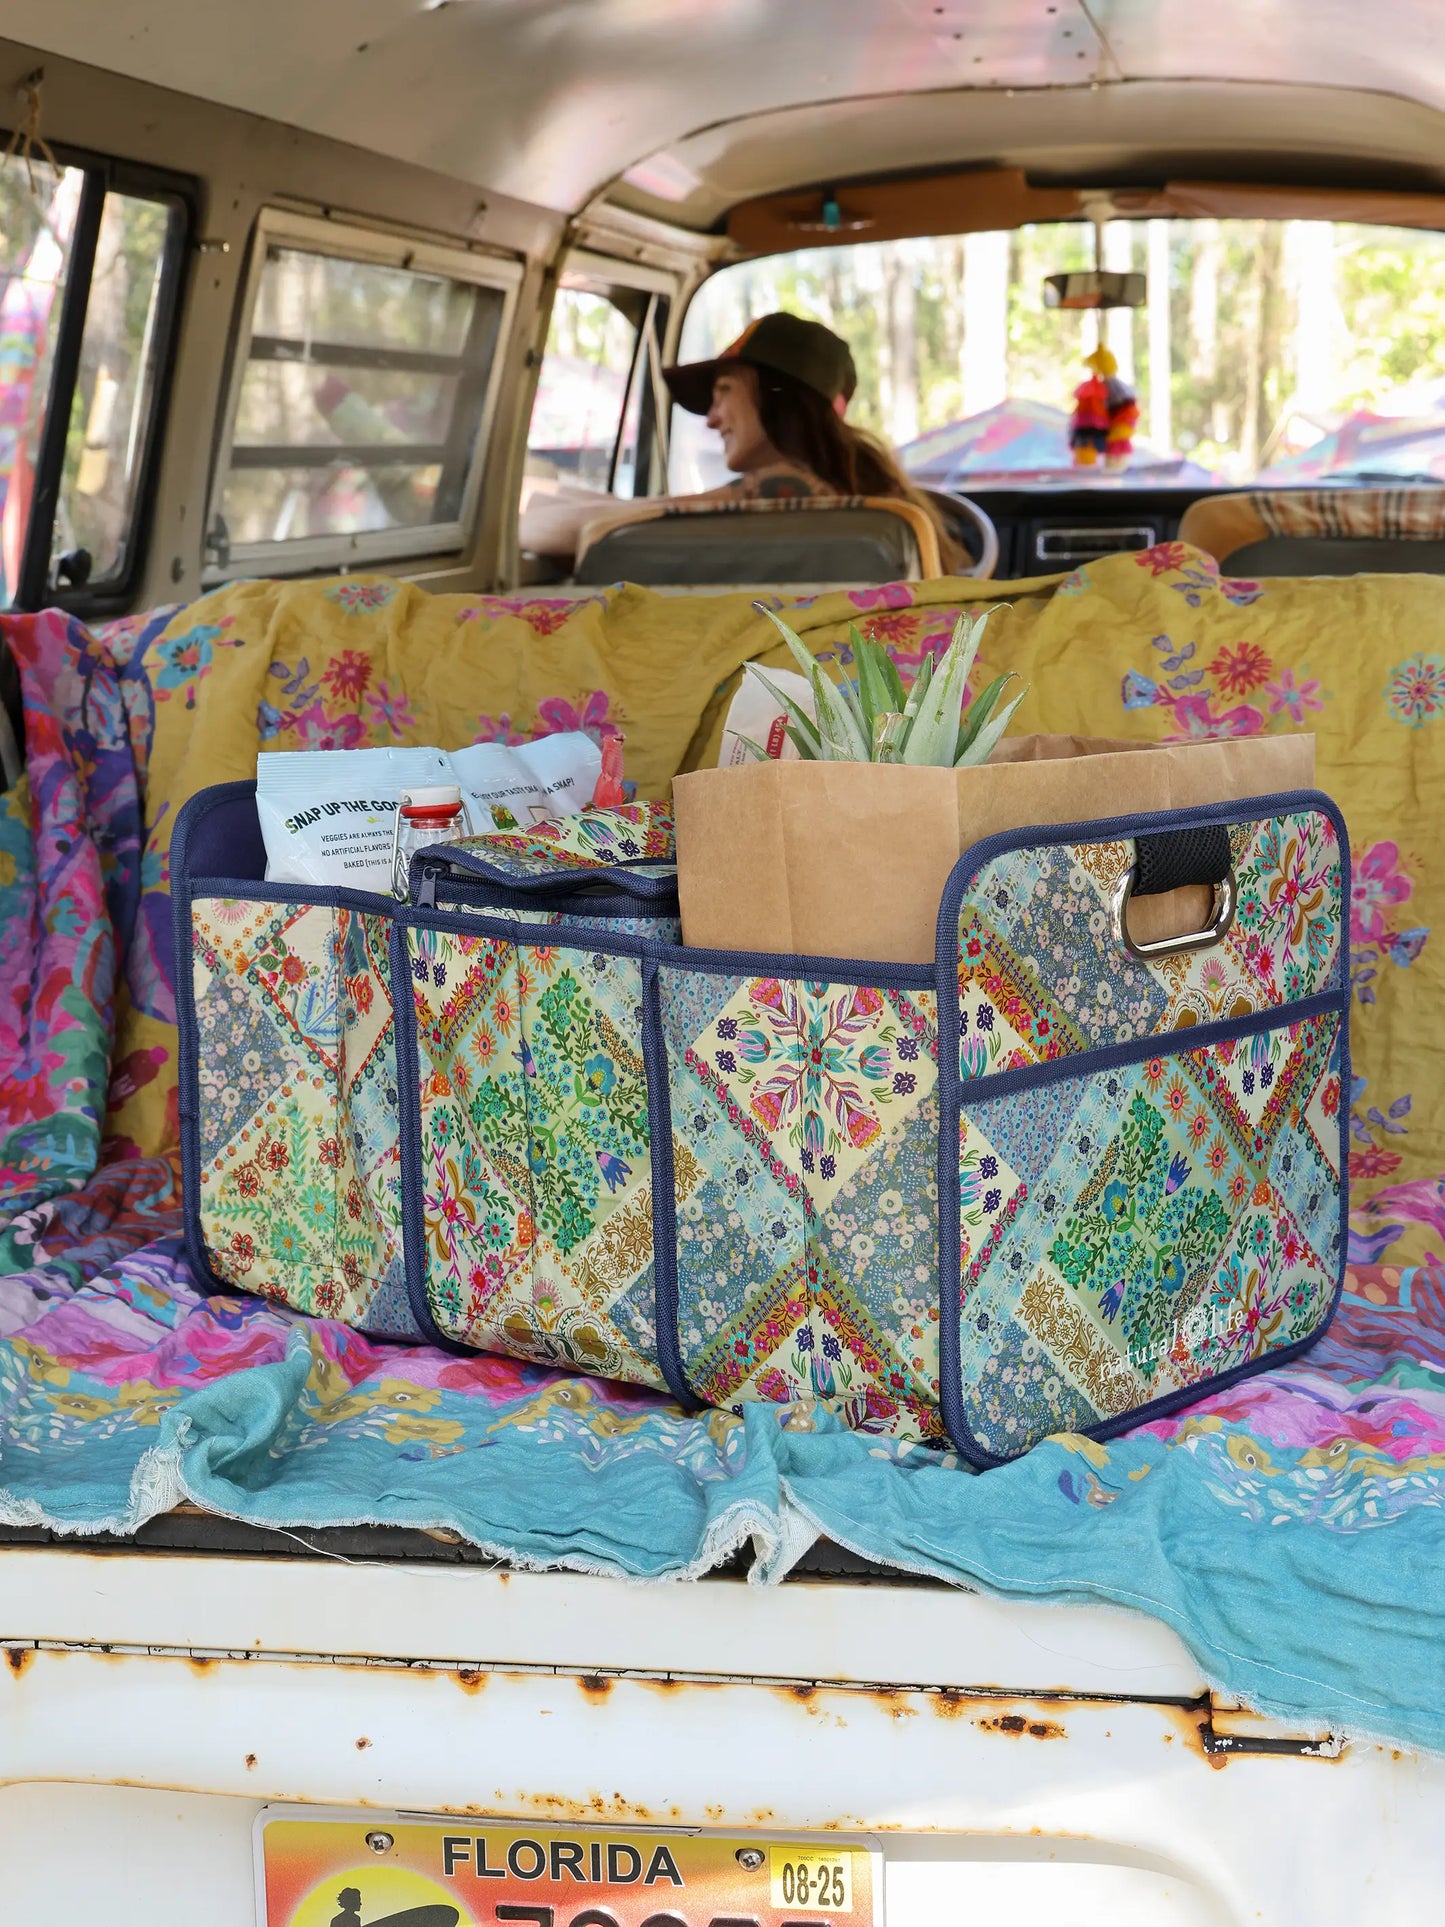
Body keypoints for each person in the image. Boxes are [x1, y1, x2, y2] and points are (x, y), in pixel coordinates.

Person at [519, 311, 961, 570]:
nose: (711, 420)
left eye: (724, 391)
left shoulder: (784, 490)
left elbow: (584, 528)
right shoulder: (855, 487)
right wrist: (541, 492)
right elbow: (656, 509)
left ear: (778, 394)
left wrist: (525, 506)